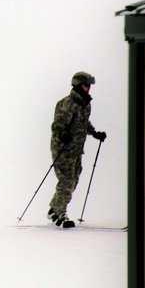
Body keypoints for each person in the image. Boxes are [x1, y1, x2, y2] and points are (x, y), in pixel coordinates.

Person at [48, 71, 106, 229]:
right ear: (77, 85)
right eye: (86, 85)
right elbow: (57, 125)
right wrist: (63, 134)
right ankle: (60, 212)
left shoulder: (85, 104)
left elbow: (84, 123)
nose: (88, 88)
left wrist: (94, 133)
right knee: (66, 180)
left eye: (89, 86)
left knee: (74, 179)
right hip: (63, 148)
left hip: (77, 149)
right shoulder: (67, 103)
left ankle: (54, 208)